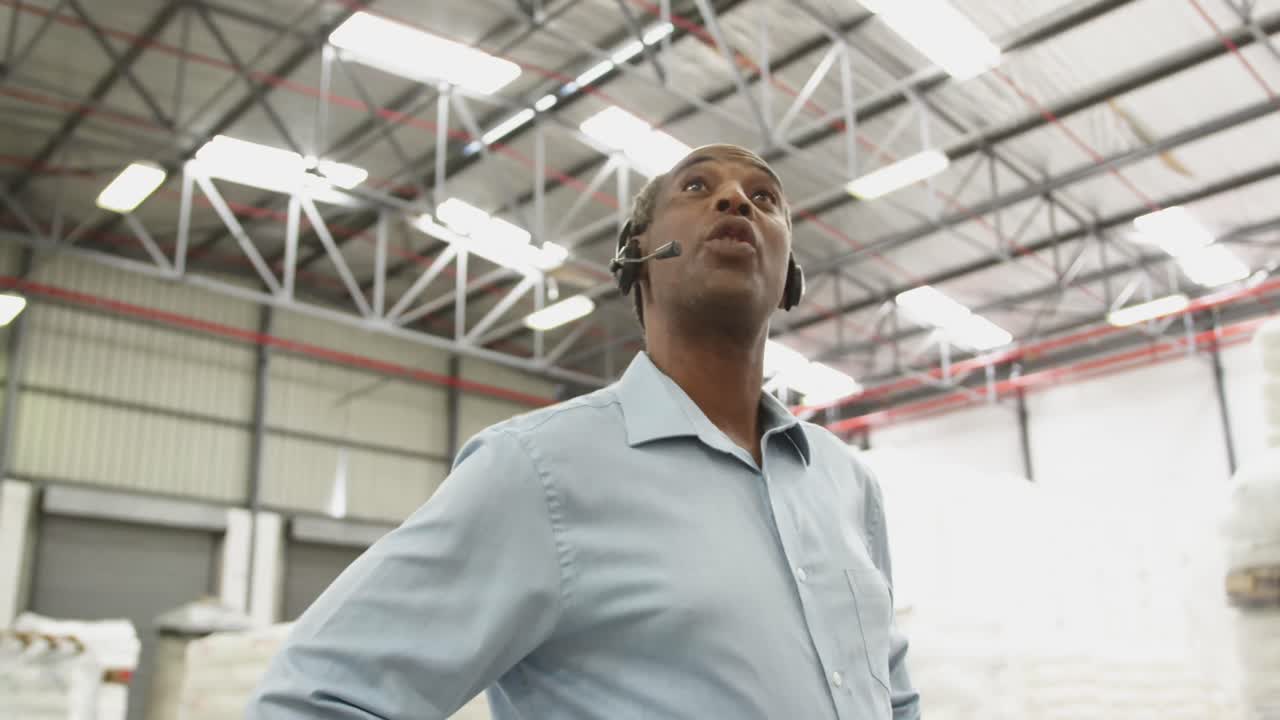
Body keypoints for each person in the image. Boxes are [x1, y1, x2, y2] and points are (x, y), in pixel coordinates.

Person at [249, 144, 920, 719]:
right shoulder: (541, 470)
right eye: (698, 186)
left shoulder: (848, 486)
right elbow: (315, 697)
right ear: (638, 256)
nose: (736, 202)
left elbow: (890, 697)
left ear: (787, 280)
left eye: (764, 198)